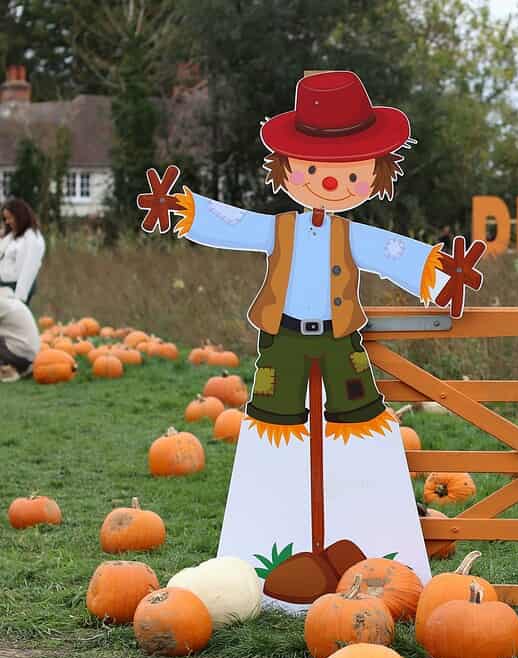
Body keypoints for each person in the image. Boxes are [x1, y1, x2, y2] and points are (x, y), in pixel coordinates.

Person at [137, 70, 485, 608]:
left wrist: (441, 274)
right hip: (285, 340)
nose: (328, 181)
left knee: (358, 415)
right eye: (316, 167)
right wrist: (186, 210)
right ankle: (295, 549)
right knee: (275, 419)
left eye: (347, 171)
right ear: (289, 167)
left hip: (341, 339)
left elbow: (397, 253)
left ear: (372, 173)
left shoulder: (352, 234)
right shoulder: (278, 229)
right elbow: (233, 224)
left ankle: (341, 547)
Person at [0, 198, 45, 304]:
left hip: (16, 287)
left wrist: (19, 299)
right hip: (5, 286)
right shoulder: (14, 235)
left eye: (9, 218)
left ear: (19, 216)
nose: (7, 222)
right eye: (5, 219)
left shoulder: (33, 238)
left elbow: (28, 269)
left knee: (13, 320)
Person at [0, 293, 40, 382]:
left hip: (19, 356)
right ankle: (12, 370)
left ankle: (8, 371)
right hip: (30, 358)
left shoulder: (2, 302)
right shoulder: (10, 300)